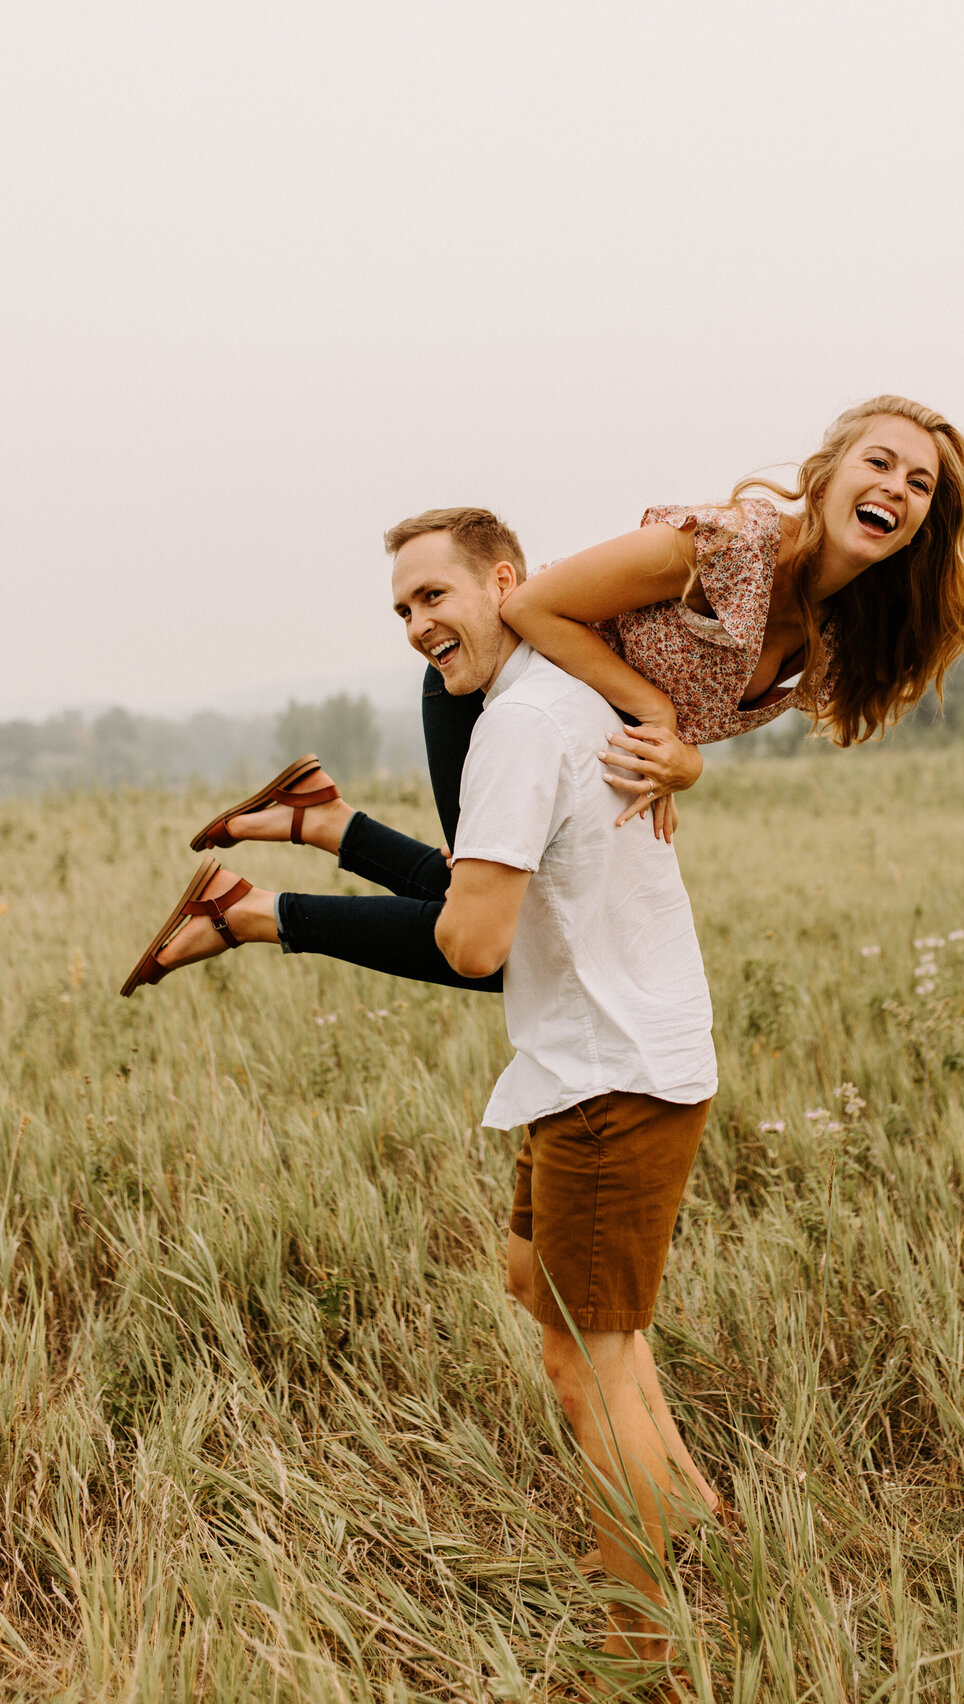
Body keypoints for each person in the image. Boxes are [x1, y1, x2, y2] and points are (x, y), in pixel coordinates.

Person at [124, 514, 720, 1687]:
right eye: (402, 610)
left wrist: (287, 911)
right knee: (538, 1286)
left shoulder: (525, 726)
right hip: (592, 1063)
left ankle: (642, 1648)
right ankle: (693, 1507)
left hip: (609, 1081)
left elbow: (472, 944)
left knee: (583, 1368)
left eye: (435, 596)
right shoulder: (551, 700)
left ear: (512, 582)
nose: (417, 626)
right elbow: (492, 912)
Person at [119, 393, 964, 999]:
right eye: (880, 462)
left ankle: (320, 820)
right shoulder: (724, 544)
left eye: (920, 485)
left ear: (925, 524)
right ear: (827, 473)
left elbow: (684, 719)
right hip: (492, 693)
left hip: (572, 743)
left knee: (496, 920)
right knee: (492, 949)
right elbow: (528, 605)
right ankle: (248, 911)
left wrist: (673, 757)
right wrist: (658, 715)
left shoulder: (835, 636)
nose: (896, 490)